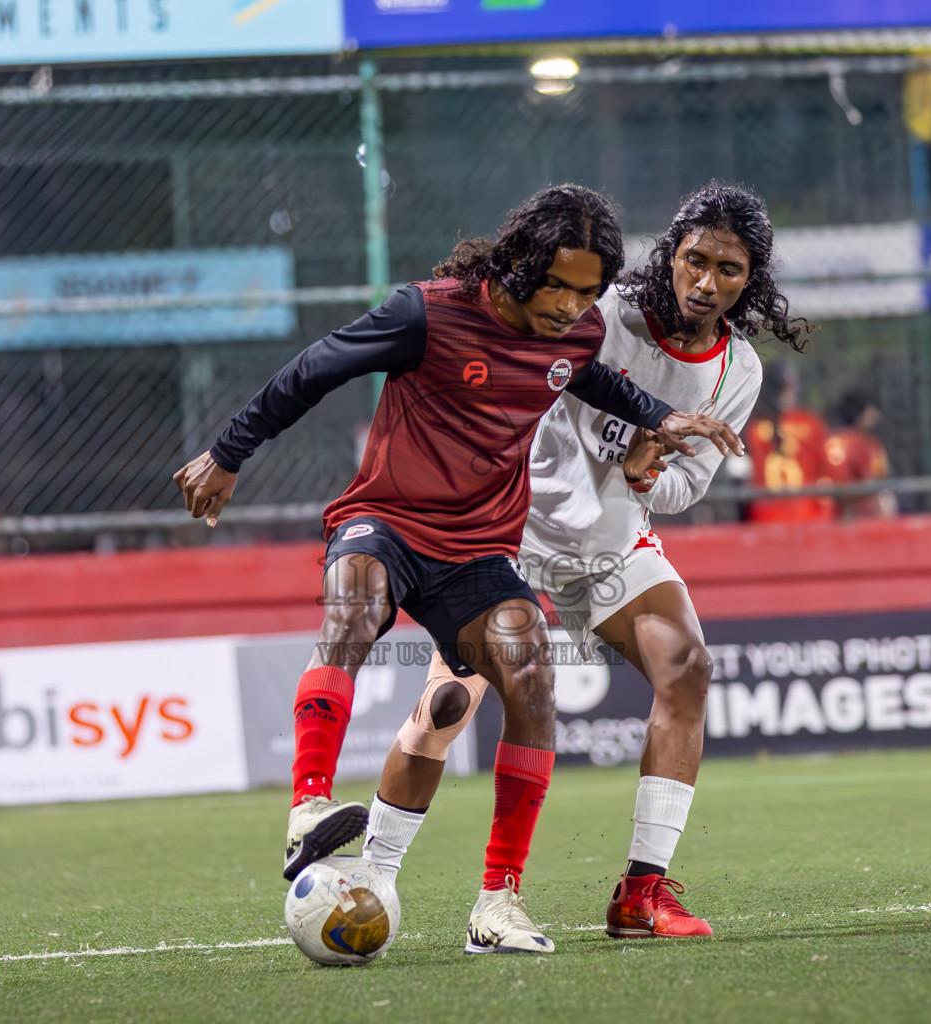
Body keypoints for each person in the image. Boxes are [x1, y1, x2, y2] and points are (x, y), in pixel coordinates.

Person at [173, 185, 742, 954]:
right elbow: (313, 370)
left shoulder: (576, 335)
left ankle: (498, 903)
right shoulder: (427, 313)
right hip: (388, 520)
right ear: (517, 263)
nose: (571, 307)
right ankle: (310, 808)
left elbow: (593, 377)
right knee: (355, 610)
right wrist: (228, 452)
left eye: (585, 292)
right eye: (557, 286)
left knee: (532, 673)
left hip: (479, 547)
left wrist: (659, 418)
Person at [359, 182, 813, 943]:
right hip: (513, 539)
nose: (705, 282)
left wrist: (643, 469)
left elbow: (685, 486)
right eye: (694, 259)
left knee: (688, 668)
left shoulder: (738, 372)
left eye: (727, 270)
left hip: (611, 547)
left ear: (751, 279)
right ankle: (373, 876)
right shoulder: (599, 319)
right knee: (445, 709)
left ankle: (640, 894)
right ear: (670, 253)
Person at [744, 361, 833, 522]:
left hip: (764, 517)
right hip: (805, 514)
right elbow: (825, 475)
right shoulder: (810, 423)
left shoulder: (754, 429)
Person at [825, 390, 897, 520]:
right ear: (861, 414)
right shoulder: (867, 446)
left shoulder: (826, 443)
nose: (876, 416)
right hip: (863, 519)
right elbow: (878, 487)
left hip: (830, 518)